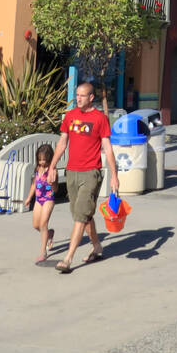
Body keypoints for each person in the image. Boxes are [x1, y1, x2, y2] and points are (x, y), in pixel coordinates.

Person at [48, 81, 120, 274]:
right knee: (84, 215)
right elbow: (62, 143)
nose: (78, 99)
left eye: (82, 95)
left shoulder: (100, 119)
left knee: (80, 216)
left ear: (91, 98)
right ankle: (97, 246)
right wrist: (52, 166)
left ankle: (68, 258)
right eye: (76, 95)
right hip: (72, 172)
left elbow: (108, 148)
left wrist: (114, 175)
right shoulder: (70, 116)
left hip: (91, 173)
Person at [24, 143, 56, 265]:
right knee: (36, 225)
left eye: (44, 160)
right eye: (40, 159)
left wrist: (52, 183)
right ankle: (49, 234)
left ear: (49, 158)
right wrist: (28, 198)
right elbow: (34, 184)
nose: (42, 162)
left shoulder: (52, 171)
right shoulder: (38, 168)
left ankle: (43, 252)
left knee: (43, 224)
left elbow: (56, 188)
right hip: (38, 199)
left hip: (48, 199)